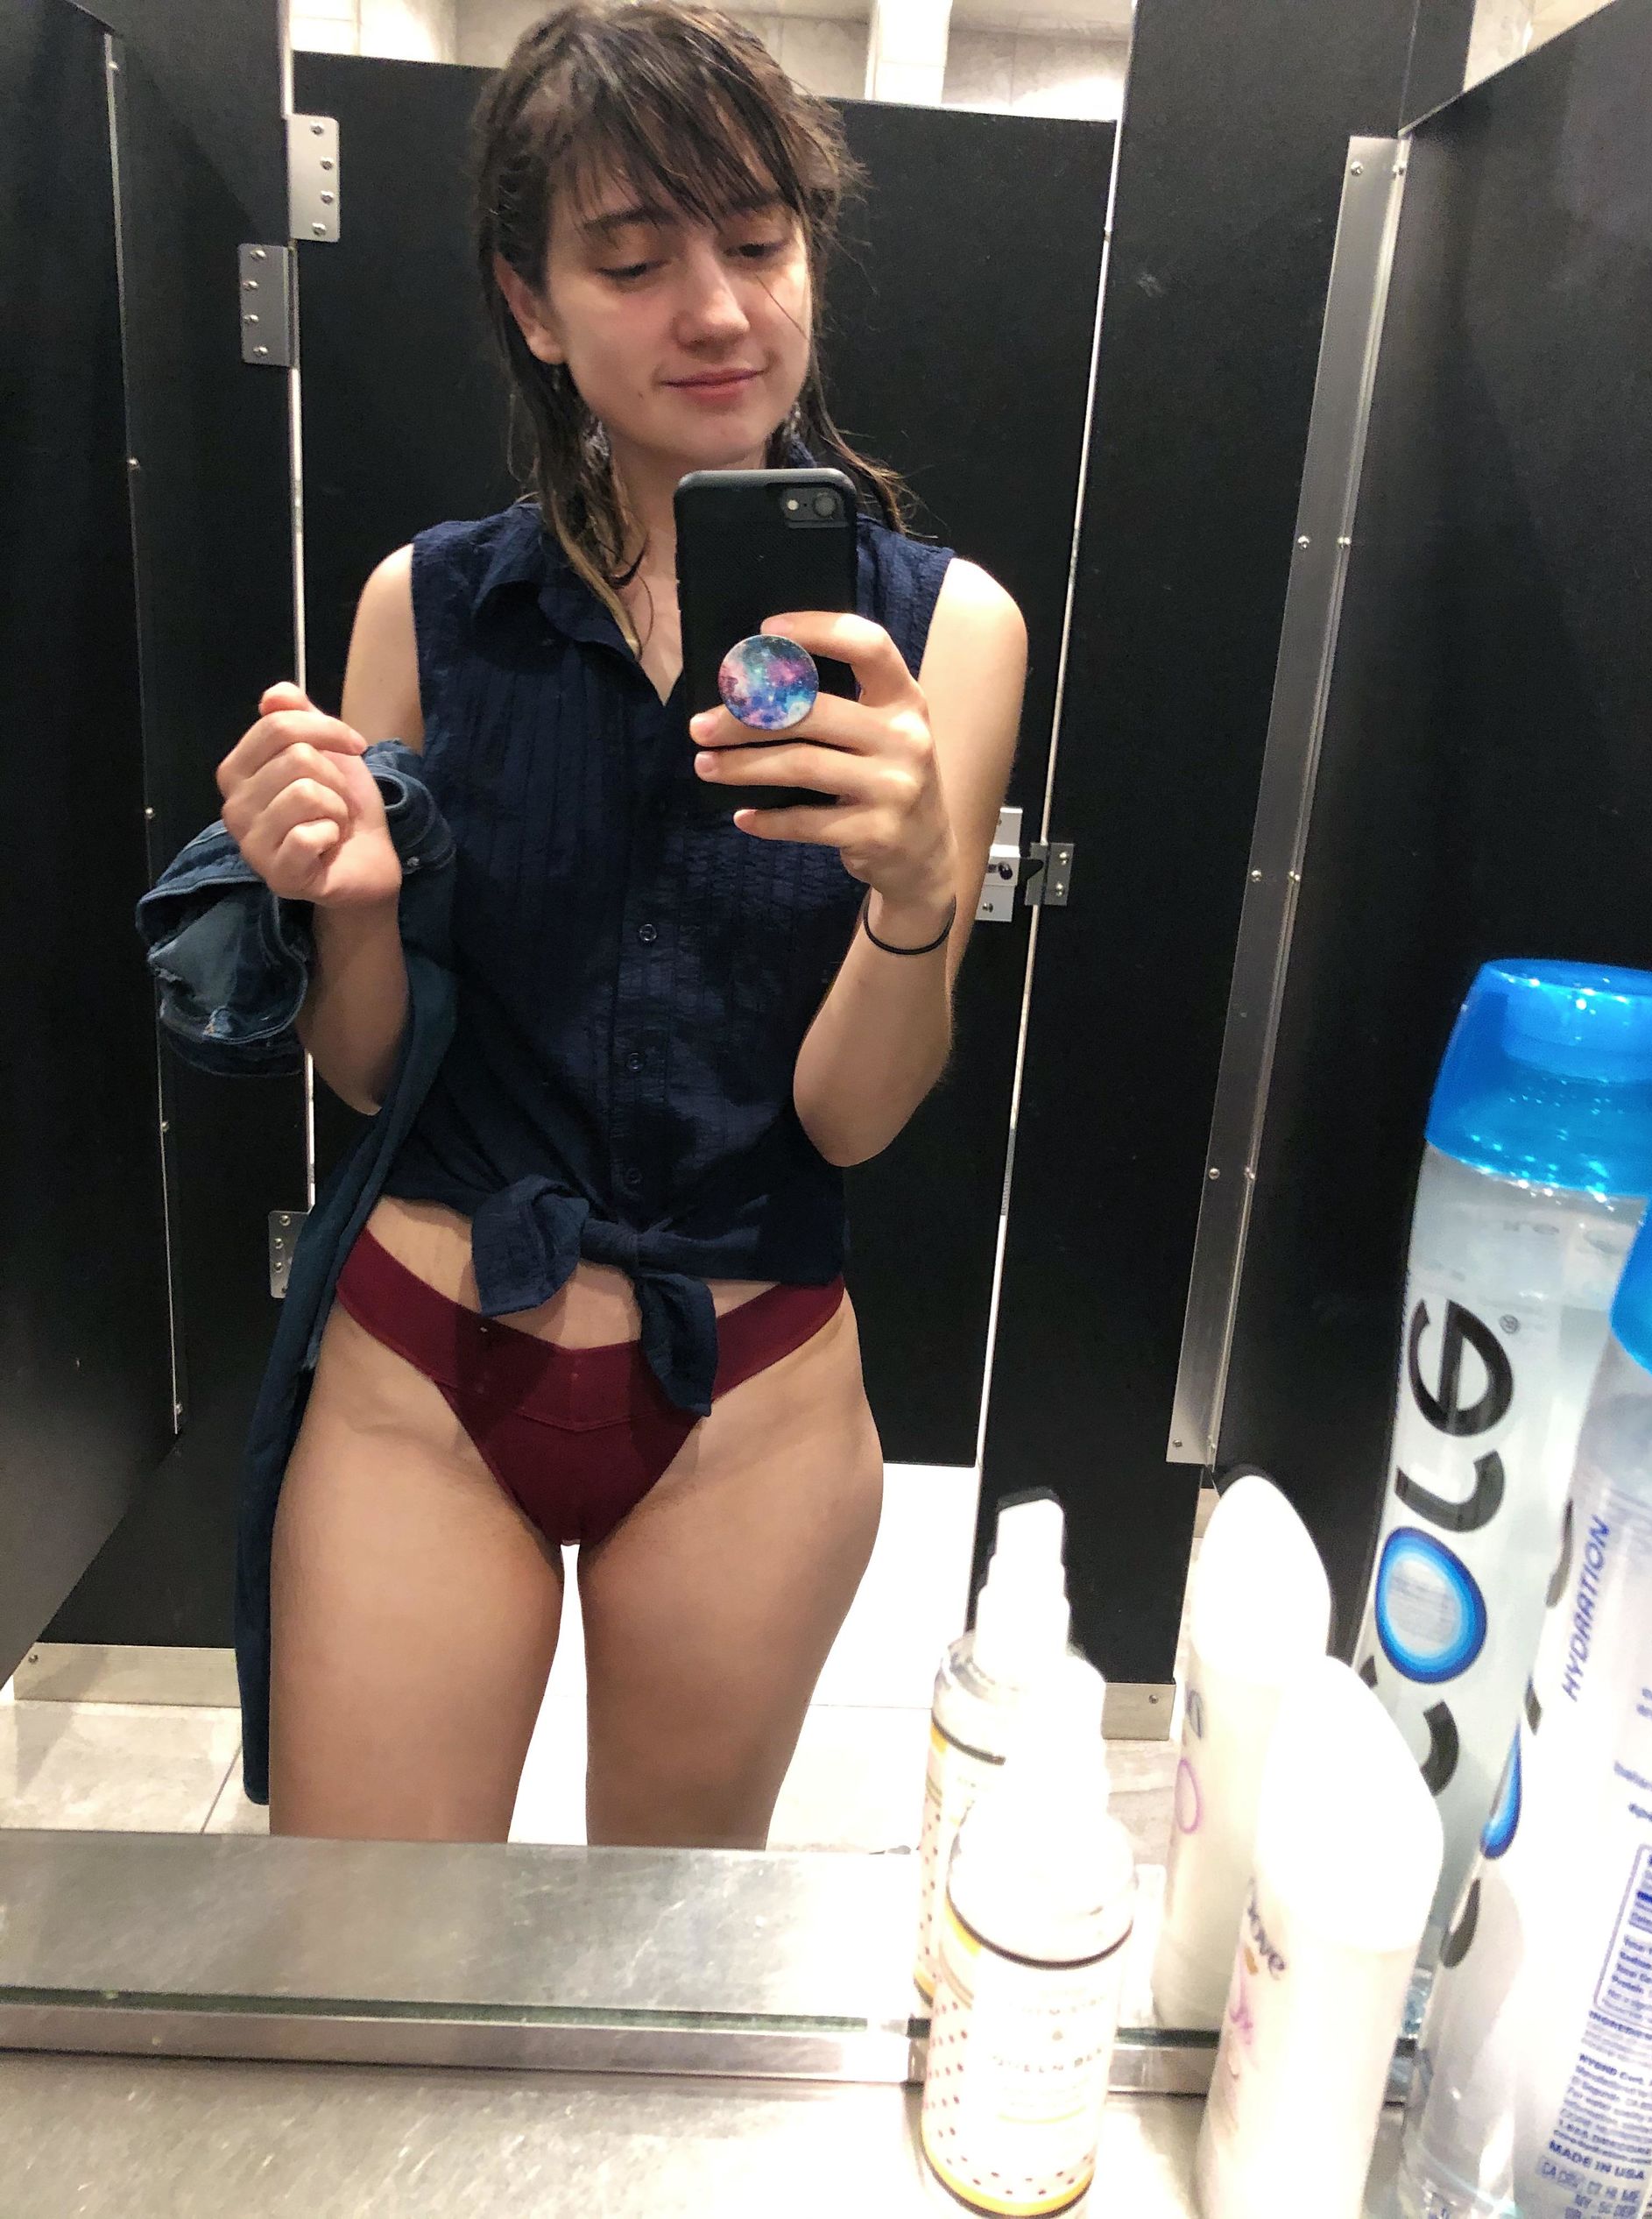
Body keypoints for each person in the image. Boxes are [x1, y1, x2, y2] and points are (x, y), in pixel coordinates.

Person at [208, 0, 1026, 1848]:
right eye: (634, 259)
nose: (717, 311)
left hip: (750, 1394)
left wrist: (917, 898)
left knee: (657, 1956)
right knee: (364, 1953)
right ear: (532, 301)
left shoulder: (945, 634)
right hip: (425, 1365)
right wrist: (342, 907)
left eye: (757, 242)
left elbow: (848, 1120)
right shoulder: (427, 608)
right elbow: (367, 1070)